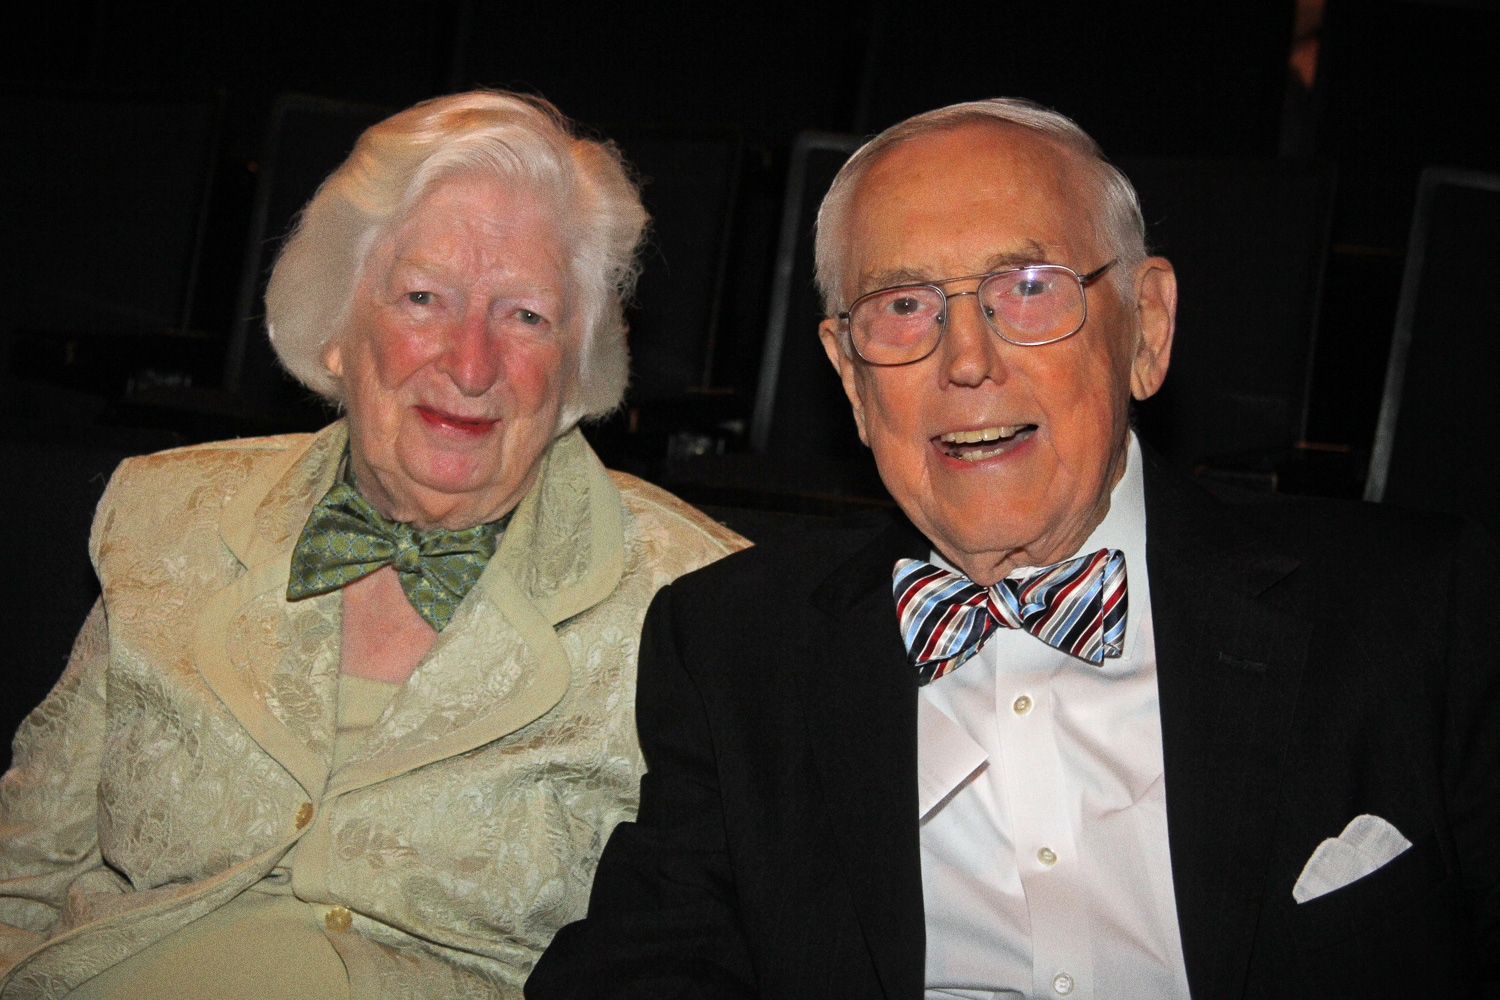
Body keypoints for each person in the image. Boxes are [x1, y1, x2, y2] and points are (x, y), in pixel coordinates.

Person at [527, 99, 1499, 999]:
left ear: (1146, 329)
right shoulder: (736, 645)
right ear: (851, 378)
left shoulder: (1421, 612)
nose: (966, 360)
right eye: (903, 305)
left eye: (1029, 288)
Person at [0, 91, 747, 999]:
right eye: (424, 299)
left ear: (577, 369)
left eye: (526, 317)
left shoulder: (698, 605)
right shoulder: (169, 515)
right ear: (336, 331)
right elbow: (24, 875)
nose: (470, 365)